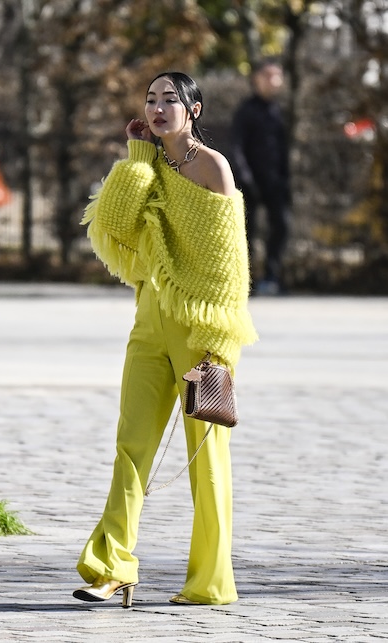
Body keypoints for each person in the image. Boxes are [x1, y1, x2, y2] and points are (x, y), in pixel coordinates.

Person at [73, 71, 258, 607]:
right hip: (150, 320)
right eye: (150, 99)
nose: (157, 108)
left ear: (193, 110)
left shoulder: (213, 168)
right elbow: (112, 224)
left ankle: (209, 583)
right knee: (130, 447)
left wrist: (218, 345)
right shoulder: (146, 164)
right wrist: (136, 155)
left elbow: (230, 268)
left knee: (207, 459)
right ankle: (112, 567)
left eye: (169, 100)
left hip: (200, 329)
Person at [231, 58, 290, 295]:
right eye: (268, 75)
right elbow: (236, 147)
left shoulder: (277, 111)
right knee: (247, 232)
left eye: (277, 75)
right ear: (256, 78)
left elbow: (283, 149)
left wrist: (285, 179)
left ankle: (273, 277)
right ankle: (247, 281)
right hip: (249, 183)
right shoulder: (246, 111)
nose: (273, 80)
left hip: (275, 181)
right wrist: (245, 178)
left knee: (281, 227)